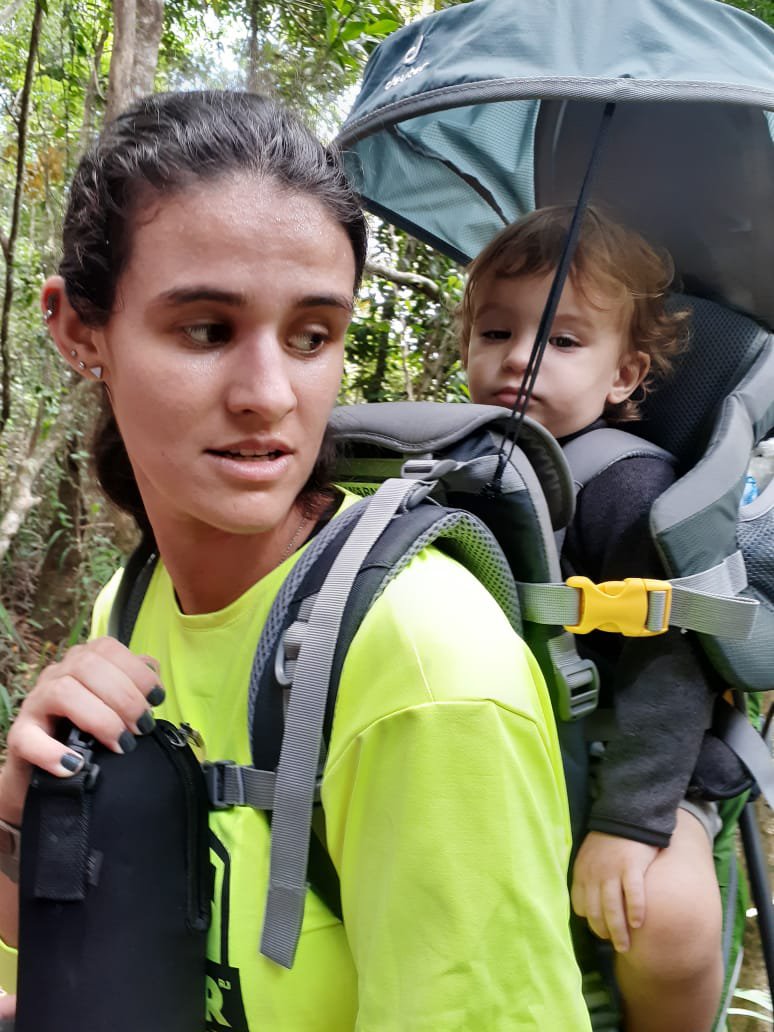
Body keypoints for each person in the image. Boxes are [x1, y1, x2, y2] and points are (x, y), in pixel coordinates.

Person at [0, 92, 590, 1031]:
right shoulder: (133, 600)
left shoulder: (426, 672)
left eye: (312, 337)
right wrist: (23, 823)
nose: (269, 395)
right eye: (207, 330)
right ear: (78, 331)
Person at [459, 205, 724, 1032]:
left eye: (563, 340)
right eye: (495, 331)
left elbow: (672, 663)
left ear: (623, 374)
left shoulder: (625, 485)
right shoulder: (461, 466)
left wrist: (628, 824)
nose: (518, 357)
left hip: (640, 759)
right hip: (505, 750)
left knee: (665, 921)